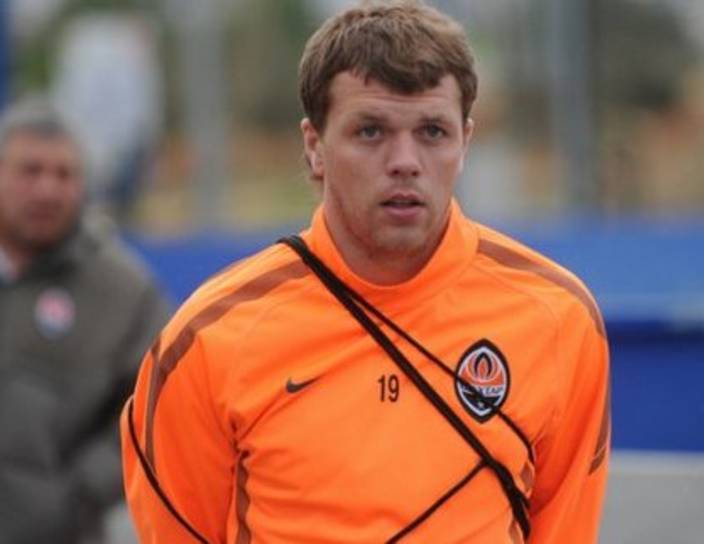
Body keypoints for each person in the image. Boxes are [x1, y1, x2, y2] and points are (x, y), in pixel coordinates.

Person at [121, 1, 610, 542]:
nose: (405, 161)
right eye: (371, 131)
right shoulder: (208, 339)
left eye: (432, 132)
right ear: (315, 146)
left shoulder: (557, 317)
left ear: (465, 142)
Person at [0, 98, 169, 543]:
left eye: (64, 174)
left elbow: (156, 407)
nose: (47, 190)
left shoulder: (123, 292)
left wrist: (80, 493)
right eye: (30, 171)